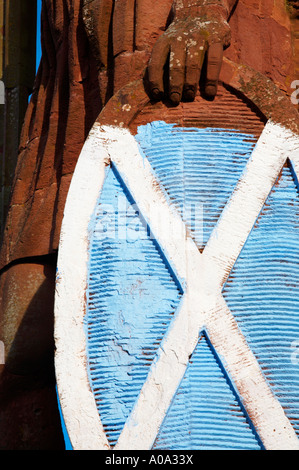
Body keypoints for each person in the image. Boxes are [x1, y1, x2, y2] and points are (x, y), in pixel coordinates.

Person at [0, 0, 295, 449]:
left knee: (212, 323)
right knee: (20, 358)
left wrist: (202, 9)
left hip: (177, 63)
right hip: (68, 94)